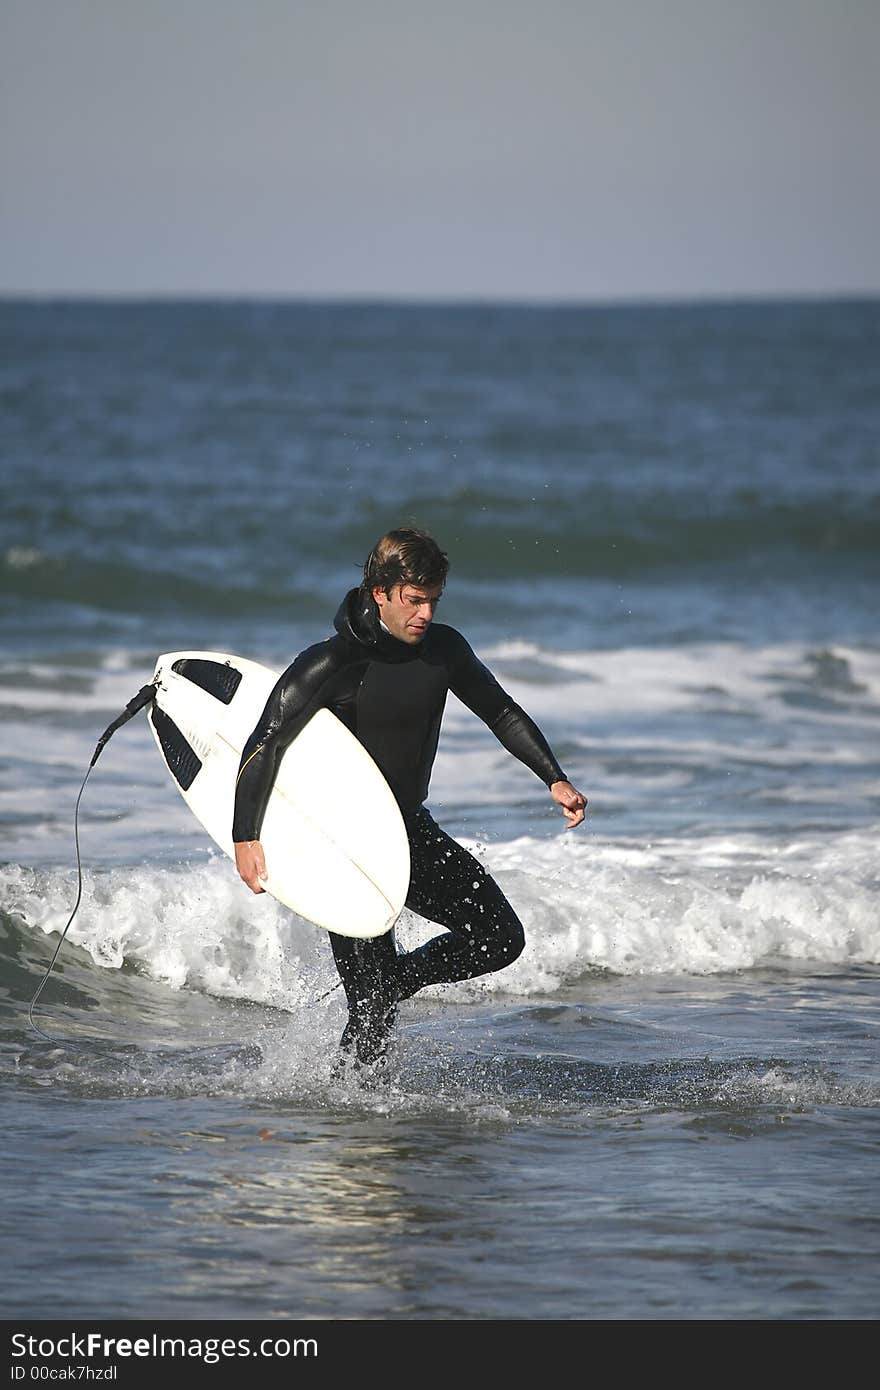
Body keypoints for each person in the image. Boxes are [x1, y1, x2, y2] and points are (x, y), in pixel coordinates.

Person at [232, 528, 587, 1067]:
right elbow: (266, 741)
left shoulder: (444, 651)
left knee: (498, 938)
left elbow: (500, 710)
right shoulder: (332, 663)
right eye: (414, 600)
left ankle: (390, 989)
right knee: (372, 1014)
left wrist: (552, 777)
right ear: (381, 592)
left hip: (407, 829)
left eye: (433, 600)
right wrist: (246, 835)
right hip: (344, 846)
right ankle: (355, 1120)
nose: (425, 613)